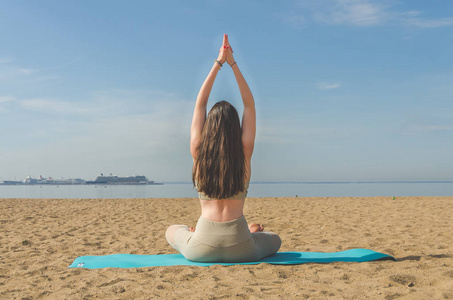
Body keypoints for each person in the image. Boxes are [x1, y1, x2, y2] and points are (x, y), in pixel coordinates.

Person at [165, 34, 281, 263]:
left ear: (209, 128)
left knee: (172, 230)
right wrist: (233, 64)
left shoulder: (198, 152)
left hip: (201, 248)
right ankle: (249, 231)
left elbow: (200, 104)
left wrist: (218, 63)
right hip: (241, 246)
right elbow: (249, 104)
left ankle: (193, 234)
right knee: (274, 238)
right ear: (235, 128)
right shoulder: (244, 153)